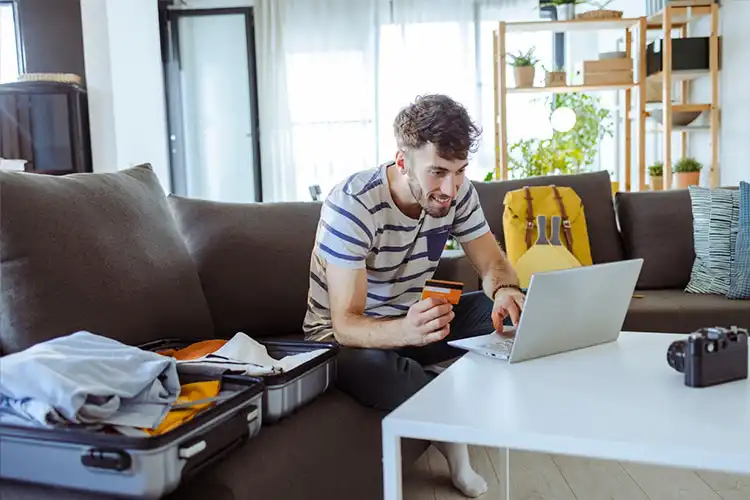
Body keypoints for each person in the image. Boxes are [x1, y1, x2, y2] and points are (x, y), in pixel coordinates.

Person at [303, 94, 525, 498]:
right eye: (437, 172)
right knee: (377, 368)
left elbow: (492, 262)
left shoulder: (457, 192)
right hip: (344, 339)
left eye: (458, 172)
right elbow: (344, 323)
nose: (449, 188)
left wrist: (507, 290)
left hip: (416, 318)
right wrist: (403, 330)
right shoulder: (353, 204)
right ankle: (456, 439)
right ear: (402, 161)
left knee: (514, 313)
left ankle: (441, 384)